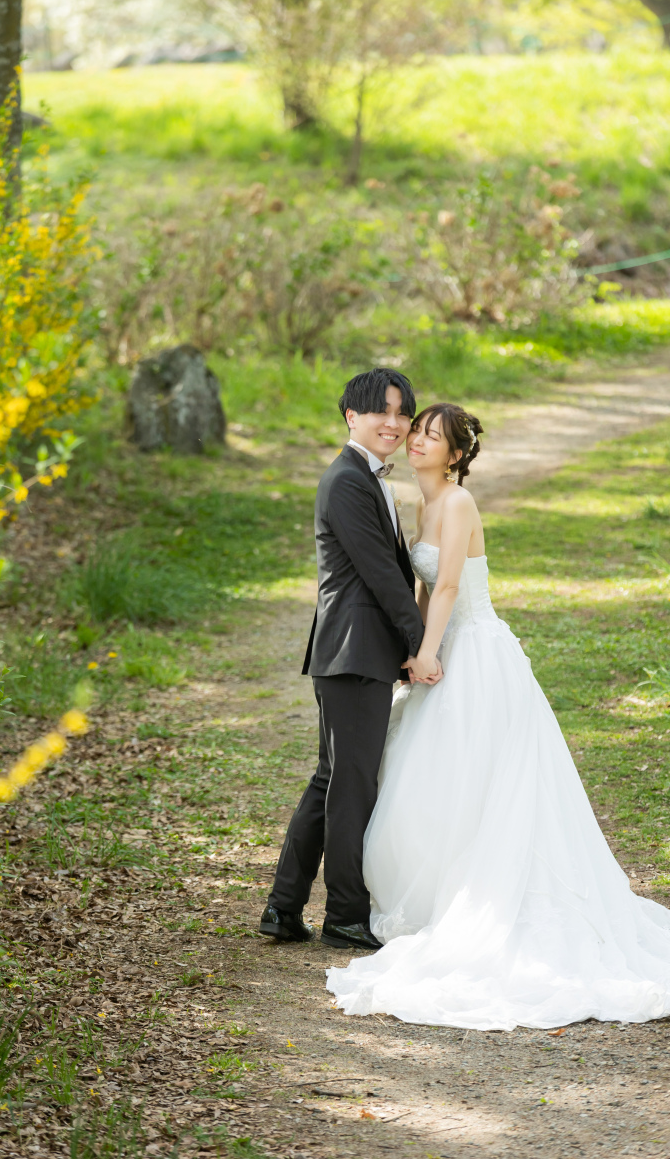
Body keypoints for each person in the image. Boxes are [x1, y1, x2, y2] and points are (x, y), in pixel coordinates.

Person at [326, 403, 670, 1029]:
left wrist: (427, 652)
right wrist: (417, 649)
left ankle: (489, 901)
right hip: (441, 653)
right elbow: (424, 591)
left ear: (456, 454)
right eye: (419, 431)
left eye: (432, 435)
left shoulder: (456, 503)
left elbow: (451, 587)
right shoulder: (424, 505)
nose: (418, 440)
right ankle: (441, 895)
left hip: (475, 654)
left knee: (483, 777)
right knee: (435, 775)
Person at [259, 368, 437, 951]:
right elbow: (383, 576)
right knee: (352, 785)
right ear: (350, 417)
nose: (394, 422)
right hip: (354, 651)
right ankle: (344, 914)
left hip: (350, 651)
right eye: (380, 411)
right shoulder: (346, 482)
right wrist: (420, 644)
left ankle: (283, 909)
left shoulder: (367, 478)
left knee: (331, 779)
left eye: (402, 412)